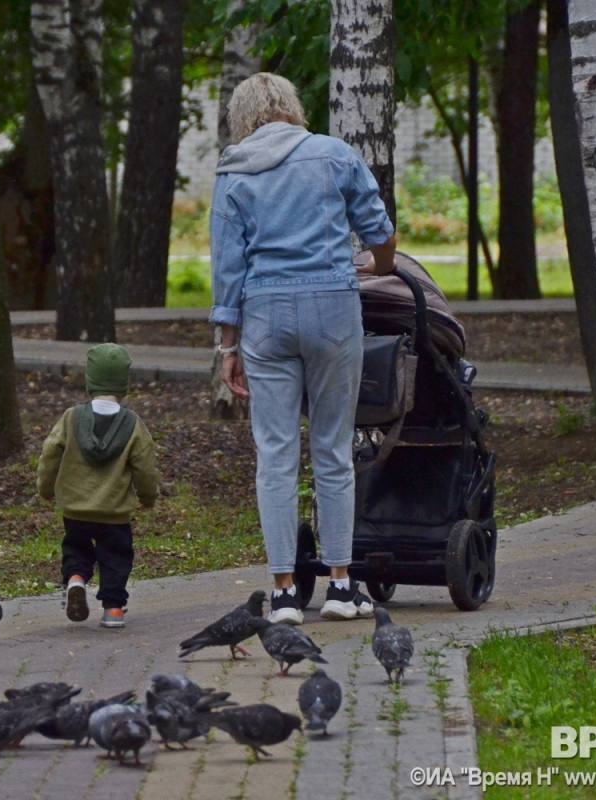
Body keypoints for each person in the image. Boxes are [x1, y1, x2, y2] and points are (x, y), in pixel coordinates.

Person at [210, 73, 398, 625]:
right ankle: (340, 585)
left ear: (243, 117)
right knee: (334, 449)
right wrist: (380, 267)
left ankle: (284, 593)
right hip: (333, 309)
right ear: (292, 107)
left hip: (265, 315)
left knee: (275, 456)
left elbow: (227, 265)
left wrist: (227, 346)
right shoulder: (333, 154)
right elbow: (378, 229)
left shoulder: (234, 170)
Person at [37, 343, 159, 628]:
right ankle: (113, 610)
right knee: (115, 556)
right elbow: (145, 466)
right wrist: (148, 497)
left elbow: (50, 453)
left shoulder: (71, 418)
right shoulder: (132, 424)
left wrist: (45, 488)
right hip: (114, 512)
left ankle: (75, 580)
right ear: (123, 384)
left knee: (76, 548)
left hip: (76, 508)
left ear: (90, 381)